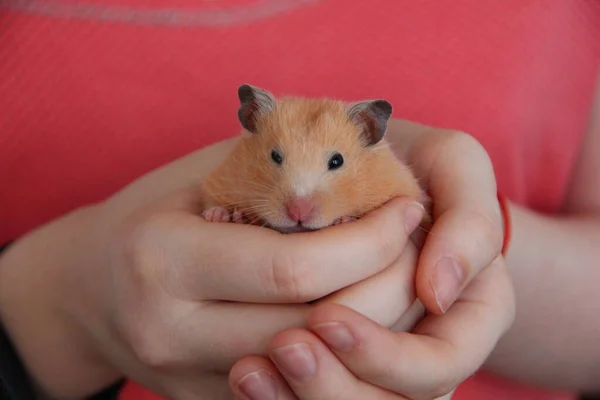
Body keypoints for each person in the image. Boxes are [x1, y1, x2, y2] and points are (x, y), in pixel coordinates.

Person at [0, 1, 598, 400]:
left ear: (371, 136)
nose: (298, 202)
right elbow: (215, 197)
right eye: (278, 163)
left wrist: (471, 252)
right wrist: (64, 296)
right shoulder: (233, 175)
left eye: (335, 165)